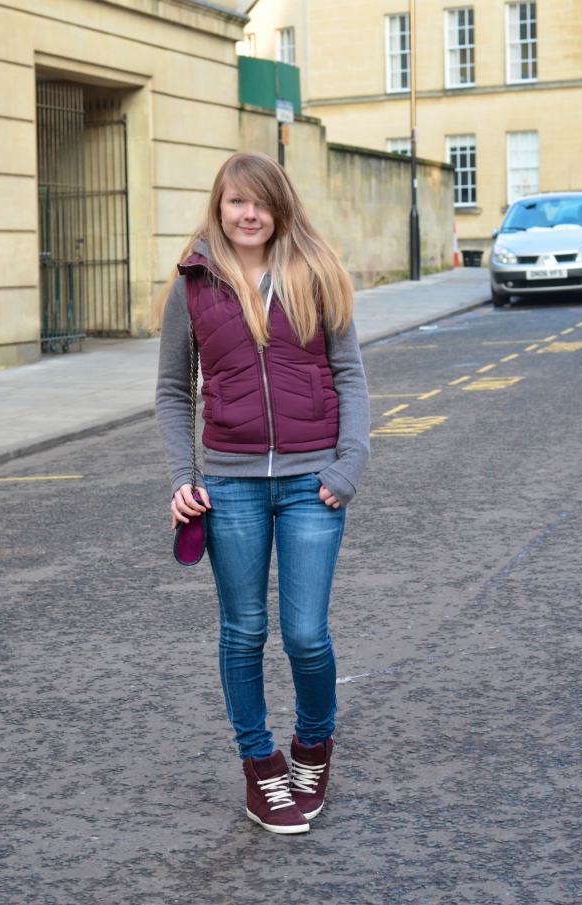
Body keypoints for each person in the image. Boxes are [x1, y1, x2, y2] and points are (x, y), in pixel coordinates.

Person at [155, 151, 370, 835]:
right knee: (243, 630)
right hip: (229, 481)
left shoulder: (317, 273)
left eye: (259, 202)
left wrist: (346, 467)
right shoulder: (192, 284)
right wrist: (181, 477)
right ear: (218, 207)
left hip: (313, 482)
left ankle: (313, 748)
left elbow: (351, 375)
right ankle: (261, 768)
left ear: (278, 207)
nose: (247, 214)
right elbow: (170, 392)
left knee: (306, 635)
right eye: (234, 202)